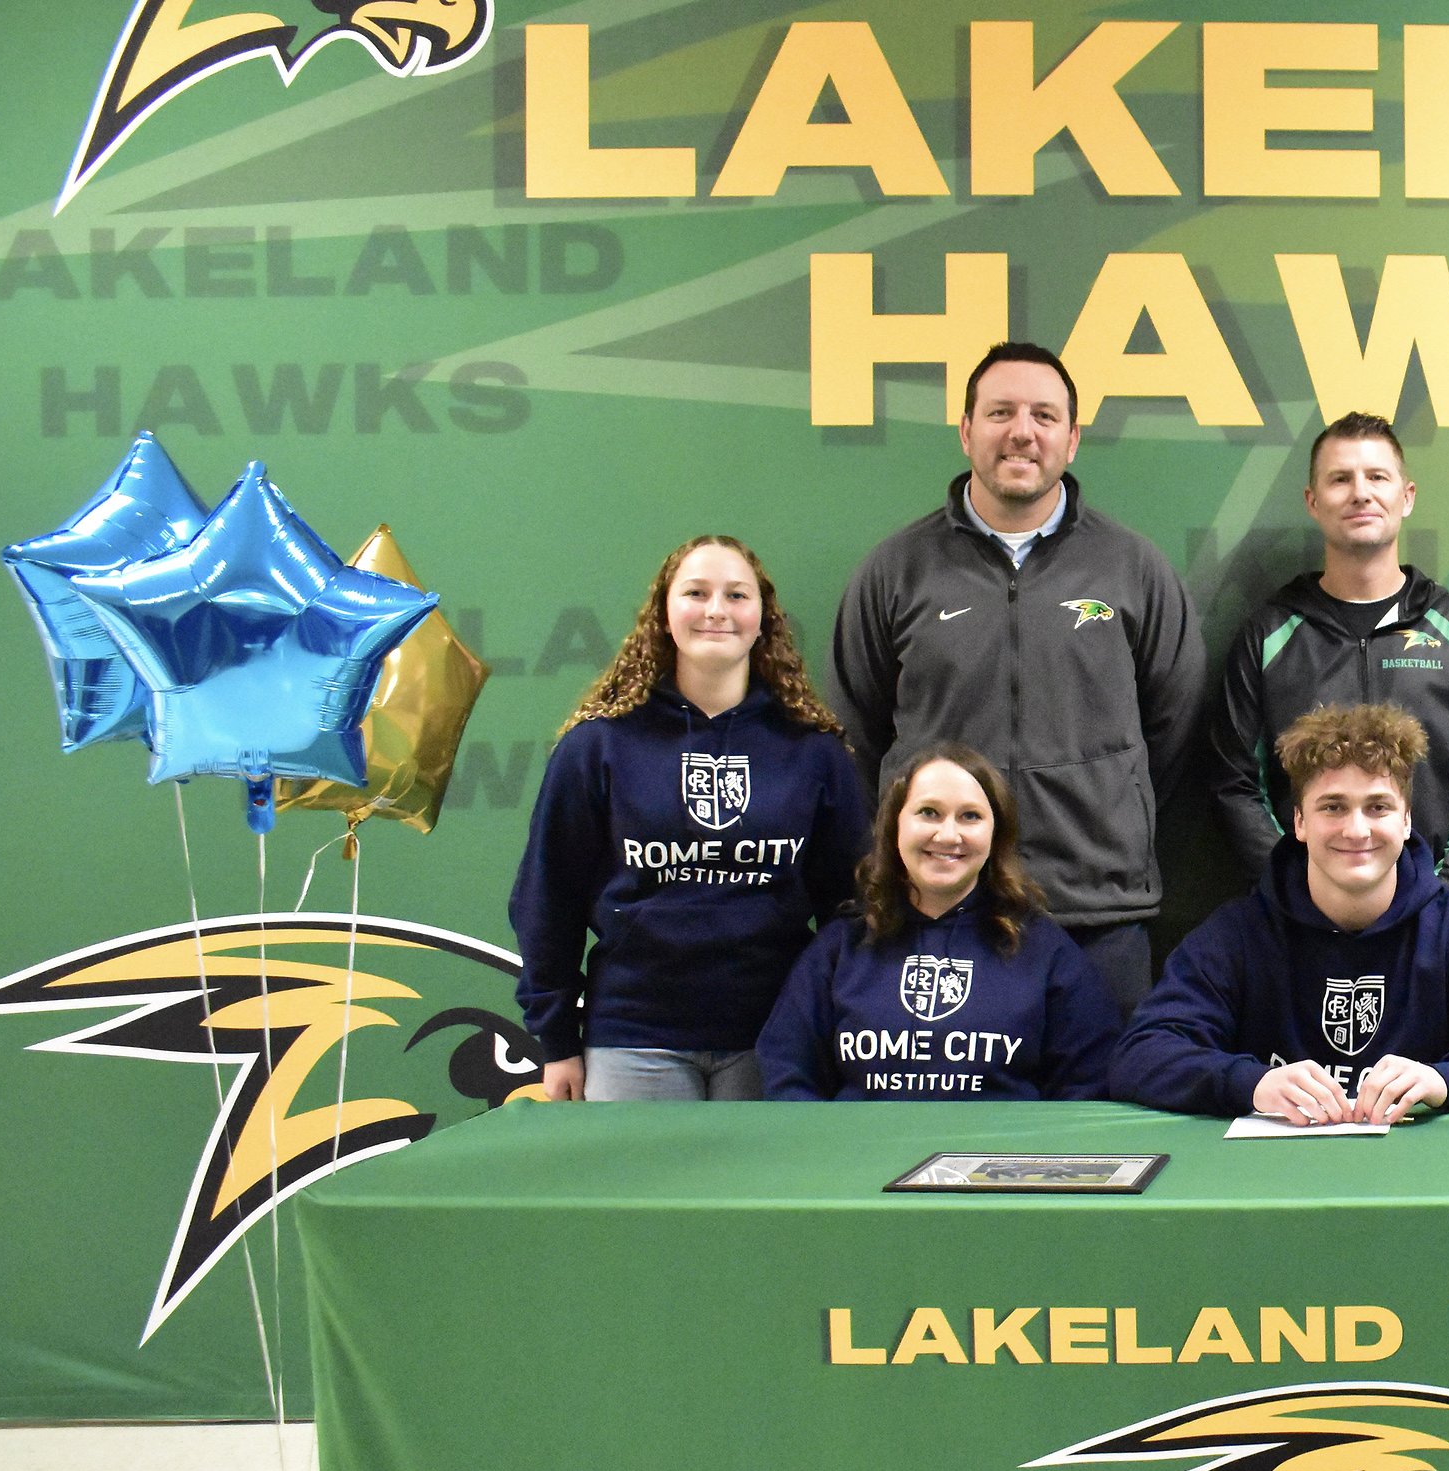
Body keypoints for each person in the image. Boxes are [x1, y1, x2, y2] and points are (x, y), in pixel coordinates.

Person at [828, 341, 1206, 1014]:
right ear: (966, 430)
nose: (1022, 432)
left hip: (1096, 913)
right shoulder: (896, 569)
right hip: (938, 910)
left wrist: (1102, 801)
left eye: (1043, 415)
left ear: (1072, 438)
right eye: (1000, 412)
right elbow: (856, 733)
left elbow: (1172, 729)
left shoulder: (1133, 568)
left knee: (1107, 1087)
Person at [512, 535, 869, 1100]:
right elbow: (548, 897)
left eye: (737, 595)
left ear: (763, 620)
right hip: (632, 1036)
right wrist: (556, 1041)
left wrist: (841, 1022)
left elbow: (850, 905)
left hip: (777, 1036)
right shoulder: (598, 745)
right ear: (663, 614)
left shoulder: (814, 751)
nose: (716, 610)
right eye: (696, 593)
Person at [1110, 703, 1449, 1120]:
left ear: (1406, 820)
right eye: (1333, 807)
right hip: (1277, 1176)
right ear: (1299, 821)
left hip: (1420, 1178)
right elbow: (1140, 1055)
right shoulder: (1238, 936)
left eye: (1378, 807)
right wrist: (1250, 1084)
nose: (1357, 830)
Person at [1209, 411, 1449, 896]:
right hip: (1301, 919)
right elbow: (1235, 782)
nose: (1360, 493)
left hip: (1434, 911)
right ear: (1313, 502)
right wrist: (1298, 893)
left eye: (1377, 476)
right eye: (1340, 479)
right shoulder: (1268, 635)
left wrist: (1440, 895)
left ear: (1407, 496)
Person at [756, 745, 1120, 1100]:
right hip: (862, 1142)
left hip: (995, 1144)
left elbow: (1088, 1082)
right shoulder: (841, 946)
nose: (948, 835)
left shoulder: (1043, 950)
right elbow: (787, 1070)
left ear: (996, 835)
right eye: (929, 812)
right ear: (894, 826)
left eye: (970, 816)